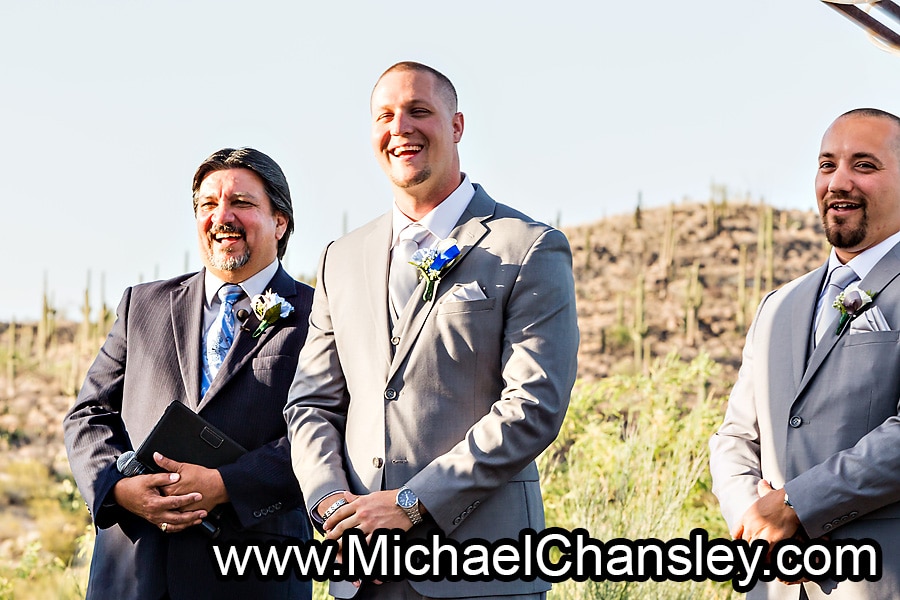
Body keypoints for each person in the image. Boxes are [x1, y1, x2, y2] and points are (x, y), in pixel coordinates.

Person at [284, 61, 579, 599]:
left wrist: (411, 503)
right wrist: (332, 509)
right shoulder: (339, 259)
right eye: (385, 116)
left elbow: (534, 404)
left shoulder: (528, 248)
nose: (401, 128)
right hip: (359, 575)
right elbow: (311, 404)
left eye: (420, 111)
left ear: (457, 125)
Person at [64, 147, 314, 599]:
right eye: (207, 204)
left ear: (280, 221)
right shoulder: (142, 305)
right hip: (134, 571)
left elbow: (329, 429)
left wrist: (226, 485)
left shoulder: (320, 315)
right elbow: (88, 416)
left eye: (241, 202)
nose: (222, 216)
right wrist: (118, 489)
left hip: (253, 572)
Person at [710, 108, 900, 598]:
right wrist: (753, 525)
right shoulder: (778, 306)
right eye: (826, 164)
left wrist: (797, 504)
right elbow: (735, 436)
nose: (839, 181)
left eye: (864, 165)